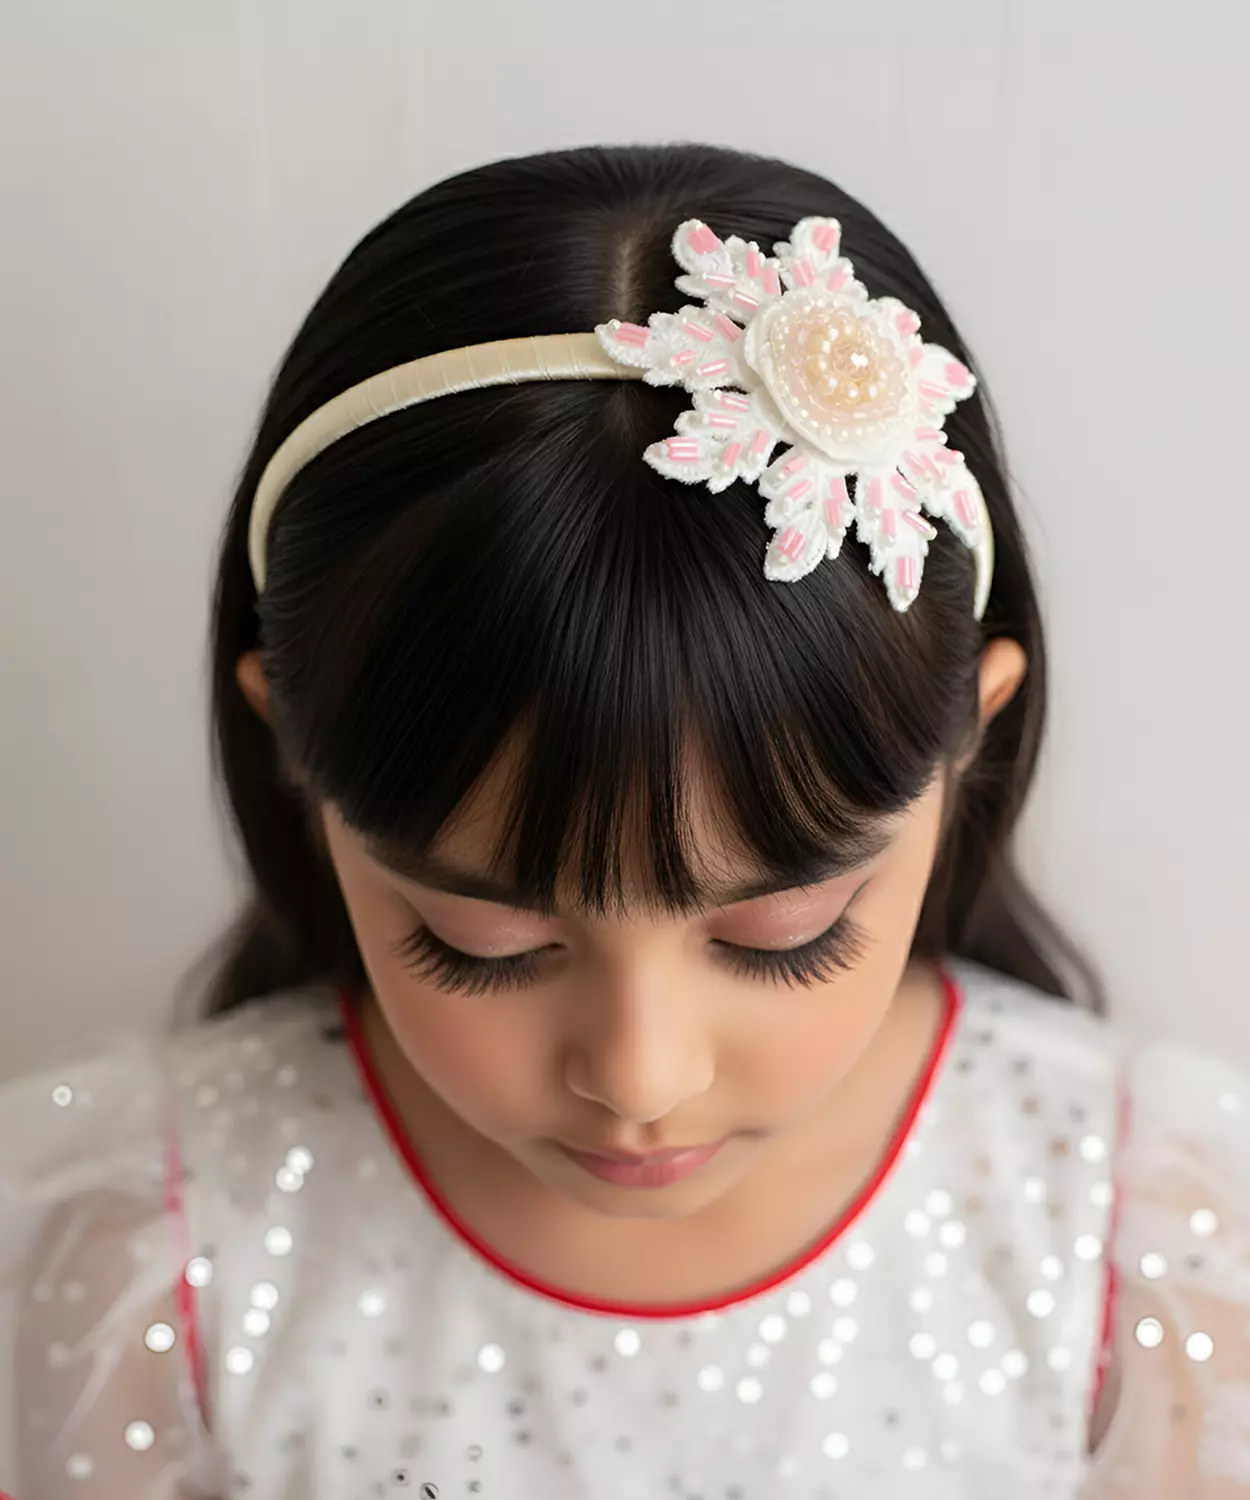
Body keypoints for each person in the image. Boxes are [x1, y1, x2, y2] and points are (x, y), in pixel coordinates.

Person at [1, 143, 1247, 1500]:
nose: (639, 1077)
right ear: (293, 749)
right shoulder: (142, 1245)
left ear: (968, 745)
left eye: (784, 936)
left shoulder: (1135, 1234)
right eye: (480, 941)